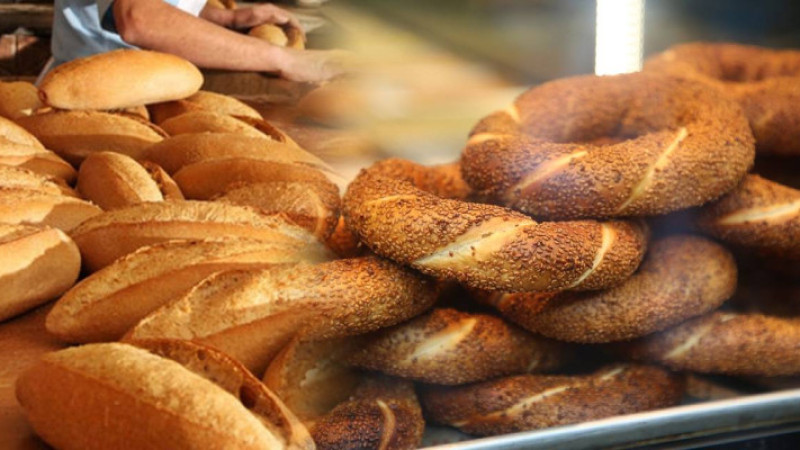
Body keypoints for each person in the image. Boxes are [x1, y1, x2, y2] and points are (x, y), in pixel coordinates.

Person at [49, 0, 348, 83]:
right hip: (90, 95)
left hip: (153, 89)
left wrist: (227, 18)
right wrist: (285, 59)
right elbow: (139, 17)